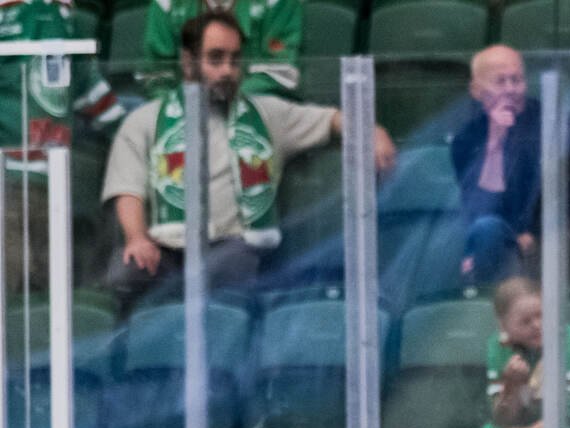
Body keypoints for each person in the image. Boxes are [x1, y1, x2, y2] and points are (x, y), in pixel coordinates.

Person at [101, 12, 396, 313]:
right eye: (216, 59)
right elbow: (128, 188)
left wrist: (372, 130)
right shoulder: (145, 120)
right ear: (188, 62)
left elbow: (331, 120)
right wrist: (137, 238)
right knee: (125, 273)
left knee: (231, 266)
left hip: (233, 247)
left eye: (234, 59)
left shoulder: (268, 115)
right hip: (167, 250)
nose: (227, 70)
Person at [0, 0, 122, 295]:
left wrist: (125, 130)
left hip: (52, 179)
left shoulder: (61, 17)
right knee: (12, 288)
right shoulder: (14, 16)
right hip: (9, 180)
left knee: (46, 291)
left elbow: (82, 83)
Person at [466, 277, 570, 428]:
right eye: (525, 321)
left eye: (541, 315)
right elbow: (501, 419)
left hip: (564, 426)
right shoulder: (498, 347)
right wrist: (511, 386)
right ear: (503, 325)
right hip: (515, 425)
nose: (537, 325)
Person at [452, 46, 541, 287]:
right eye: (500, 82)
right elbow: (481, 208)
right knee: (486, 230)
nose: (511, 89)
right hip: (498, 241)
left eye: (517, 80)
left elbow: (567, 190)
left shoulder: (548, 120)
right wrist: (495, 140)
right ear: (476, 90)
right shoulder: (466, 138)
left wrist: (534, 232)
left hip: (549, 238)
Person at [145, 0, 303, 98]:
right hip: (183, 115)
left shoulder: (277, 2)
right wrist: (182, 106)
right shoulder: (166, 3)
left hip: (260, 111)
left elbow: (280, 73)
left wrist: (225, 102)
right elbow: (157, 77)